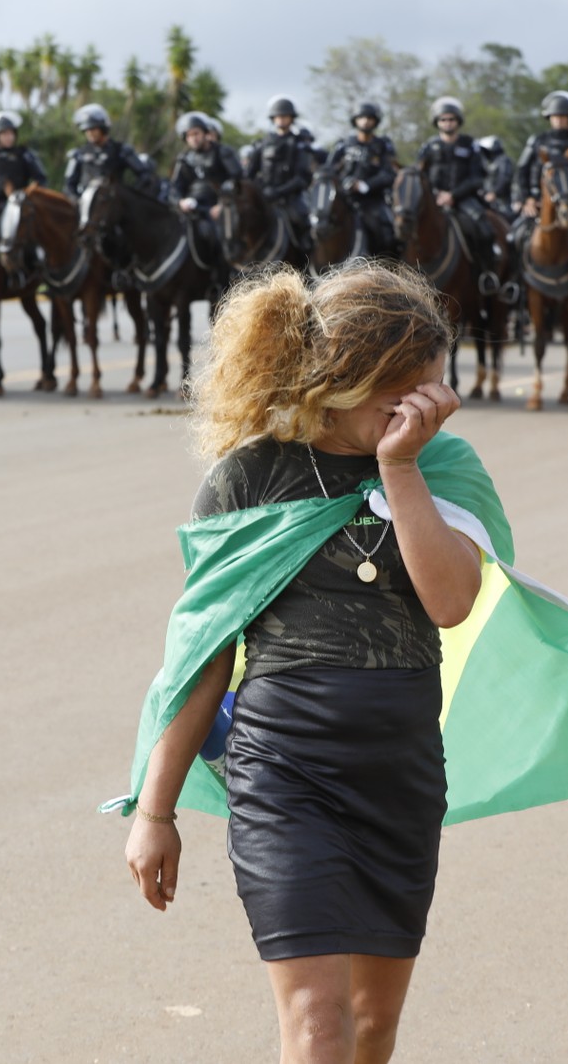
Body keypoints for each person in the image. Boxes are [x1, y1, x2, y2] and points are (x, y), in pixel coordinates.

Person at [126, 260, 480, 1064]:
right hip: (285, 772)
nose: (424, 407)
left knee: (370, 1028)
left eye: (431, 385)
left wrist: (400, 468)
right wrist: (155, 810)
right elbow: (203, 653)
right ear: (341, 378)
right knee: (319, 1025)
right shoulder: (249, 479)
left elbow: (451, 602)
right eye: (402, 390)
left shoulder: (443, 467)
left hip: (400, 773)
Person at [513, 90, 568, 302]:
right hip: (537, 203)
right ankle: (515, 285)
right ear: (549, 118)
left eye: (564, 117)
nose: (560, 120)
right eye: (555, 117)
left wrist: (565, 196)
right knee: (512, 236)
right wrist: (526, 198)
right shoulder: (537, 141)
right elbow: (522, 171)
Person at [416, 97, 500, 290]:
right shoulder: (428, 147)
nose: (447, 123)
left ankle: (486, 274)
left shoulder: (470, 145)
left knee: (484, 229)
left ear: (458, 121)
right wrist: (436, 195)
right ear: (437, 122)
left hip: (463, 200)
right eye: (443, 119)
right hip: (433, 200)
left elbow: (477, 177)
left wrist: (453, 195)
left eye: (451, 119)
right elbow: (420, 175)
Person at [168, 111, 236, 292]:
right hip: (193, 210)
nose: (193, 138)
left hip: (220, 210)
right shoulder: (184, 159)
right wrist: (180, 202)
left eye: (196, 133)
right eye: (189, 135)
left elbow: (237, 180)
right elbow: (174, 188)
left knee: (217, 238)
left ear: (205, 133)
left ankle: (222, 282)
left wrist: (222, 204)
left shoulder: (222, 153)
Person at [246, 96, 314, 255]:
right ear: (273, 119)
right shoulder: (263, 144)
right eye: (278, 116)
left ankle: (306, 258)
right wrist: (260, 191)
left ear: (291, 118)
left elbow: (302, 178)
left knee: (303, 220)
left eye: (285, 116)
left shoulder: (299, 144)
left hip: (290, 198)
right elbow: (250, 173)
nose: (281, 119)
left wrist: (279, 191)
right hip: (265, 197)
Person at [328, 102, 397, 256]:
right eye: (361, 118)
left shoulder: (383, 145)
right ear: (355, 120)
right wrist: (345, 183)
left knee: (389, 232)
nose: (365, 121)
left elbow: (389, 174)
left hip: (374, 202)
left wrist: (366, 185)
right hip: (345, 200)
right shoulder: (343, 145)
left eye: (370, 118)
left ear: (375, 121)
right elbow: (330, 170)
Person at [62, 103, 155, 199]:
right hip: (85, 207)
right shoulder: (79, 154)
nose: (89, 133)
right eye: (86, 130)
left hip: (115, 208)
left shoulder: (121, 150)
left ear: (102, 128)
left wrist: (128, 198)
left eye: (93, 129)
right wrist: (79, 202)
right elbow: (69, 186)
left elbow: (144, 176)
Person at [476, 135, 514, 223]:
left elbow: (505, 178)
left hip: (503, 202)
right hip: (489, 201)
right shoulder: (488, 163)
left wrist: (495, 193)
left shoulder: (504, 161)